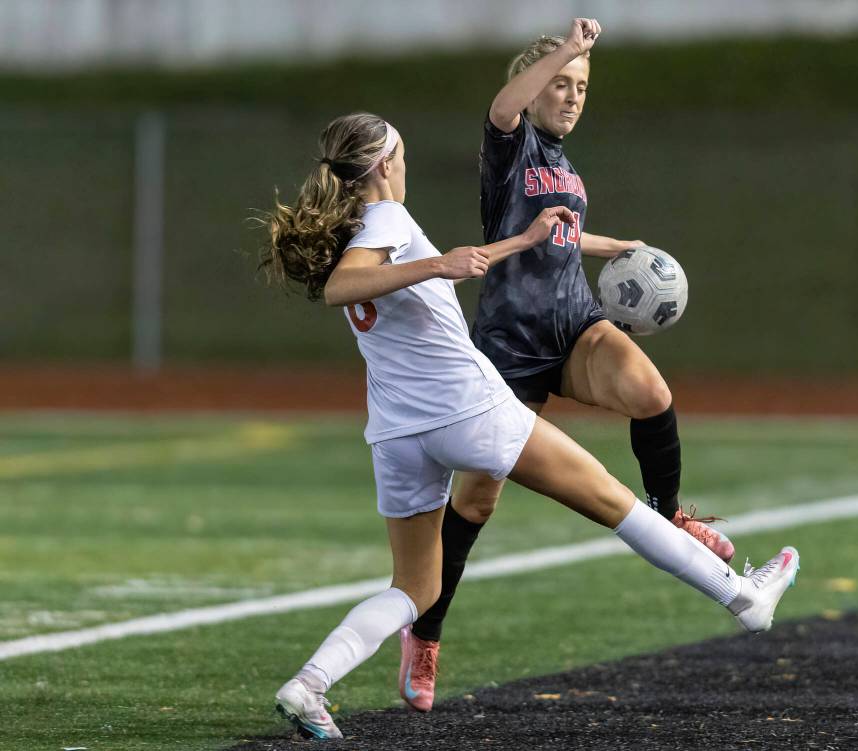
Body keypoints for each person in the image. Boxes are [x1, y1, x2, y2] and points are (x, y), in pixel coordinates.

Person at [258, 112, 800, 740]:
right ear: (383, 165)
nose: (404, 165)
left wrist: (523, 239)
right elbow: (343, 287)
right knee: (615, 501)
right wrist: (437, 267)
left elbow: (437, 267)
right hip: (468, 410)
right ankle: (744, 599)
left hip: (397, 432)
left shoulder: (364, 224)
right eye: (400, 154)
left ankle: (310, 683)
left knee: (415, 588)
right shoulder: (386, 220)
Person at [399, 18, 734, 712]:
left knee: (649, 389)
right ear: (536, 83)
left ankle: (670, 513)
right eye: (562, 83)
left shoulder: (564, 163)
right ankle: (425, 633)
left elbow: (562, 232)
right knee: (476, 501)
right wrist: (568, 47)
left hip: (575, 325)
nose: (574, 94)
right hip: (510, 345)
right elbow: (501, 108)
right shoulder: (512, 145)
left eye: (582, 86)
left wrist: (613, 246)